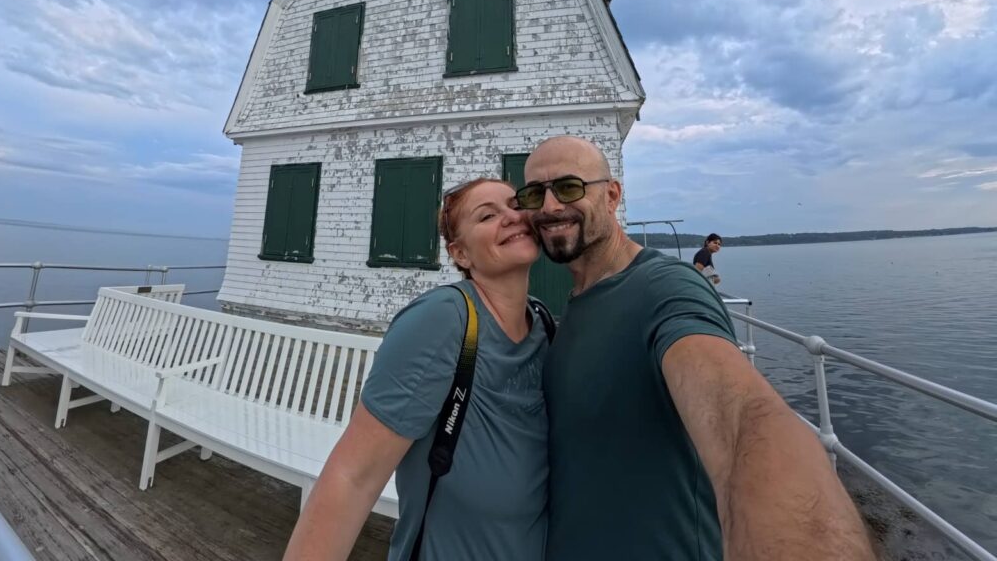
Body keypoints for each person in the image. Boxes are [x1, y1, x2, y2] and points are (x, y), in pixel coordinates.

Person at [517, 136, 874, 561]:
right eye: (535, 193)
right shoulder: (581, 302)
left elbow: (740, 416)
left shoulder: (665, 289)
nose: (551, 206)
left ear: (611, 195)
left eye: (570, 187)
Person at [284, 178, 550, 561]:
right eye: (488, 215)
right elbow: (353, 479)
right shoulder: (444, 320)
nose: (512, 217)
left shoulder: (544, 324)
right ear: (461, 254)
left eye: (515, 205)